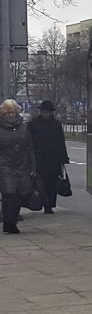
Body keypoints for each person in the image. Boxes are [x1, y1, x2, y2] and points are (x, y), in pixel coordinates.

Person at [0, 100, 35, 234]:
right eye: (7, 112)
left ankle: (13, 219)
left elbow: (30, 147)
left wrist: (33, 165)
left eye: (12, 112)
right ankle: (9, 223)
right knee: (9, 194)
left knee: (21, 194)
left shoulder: (24, 127)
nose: (10, 115)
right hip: (5, 166)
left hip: (22, 165)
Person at [28, 100, 68, 214]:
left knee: (52, 183)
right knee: (41, 183)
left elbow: (61, 142)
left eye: (48, 112)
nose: (46, 114)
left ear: (52, 112)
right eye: (44, 112)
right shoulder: (33, 124)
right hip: (39, 159)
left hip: (53, 159)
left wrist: (63, 159)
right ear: (41, 111)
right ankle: (45, 204)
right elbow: (29, 142)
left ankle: (50, 204)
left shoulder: (56, 124)